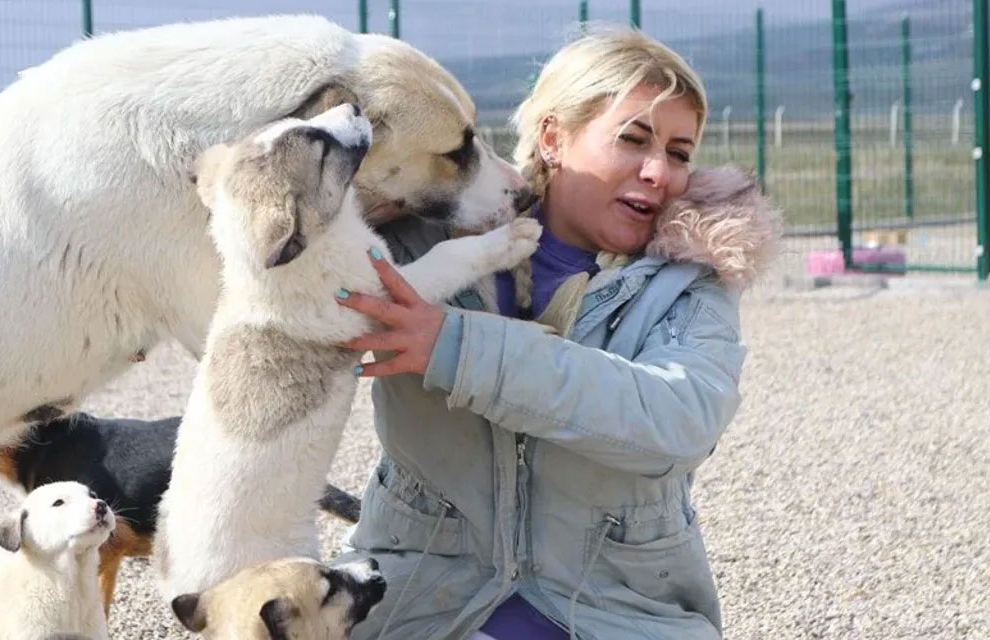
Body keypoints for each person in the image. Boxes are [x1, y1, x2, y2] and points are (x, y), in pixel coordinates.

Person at [332, 24, 781, 640]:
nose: (658, 171)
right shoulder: (425, 242)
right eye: (633, 138)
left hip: (618, 614)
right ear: (552, 138)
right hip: (414, 600)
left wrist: (456, 348)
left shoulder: (690, 281)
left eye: (679, 152)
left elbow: (678, 422)